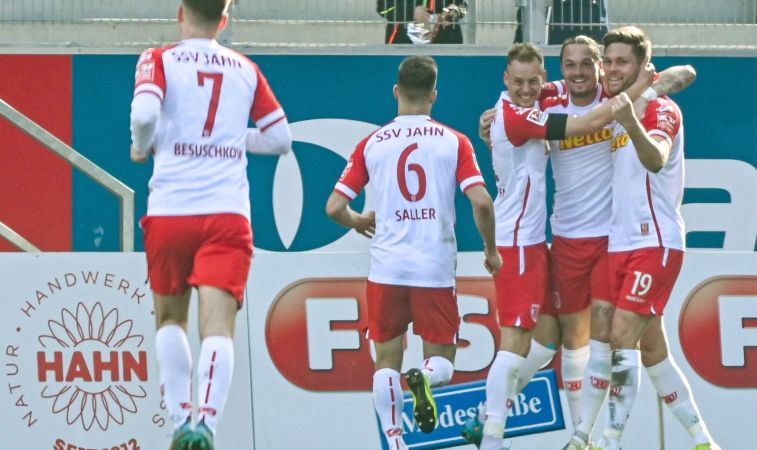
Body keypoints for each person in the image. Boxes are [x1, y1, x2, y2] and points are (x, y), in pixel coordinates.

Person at [472, 36, 698, 438]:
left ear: (599, 67)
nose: (577, 73)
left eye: (586, 64)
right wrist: (492, 121)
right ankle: (494, 416)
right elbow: (514, 101)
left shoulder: (616, 91)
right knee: (553, 344)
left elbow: (686, 73)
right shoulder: (549, 96)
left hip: (615, 240)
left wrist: (651, 86)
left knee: (603, 345)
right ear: (559, 71)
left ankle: (585, 437)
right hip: (568, 237)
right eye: (569, 65)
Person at [129, 1, 292, 449]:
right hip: (226, 213)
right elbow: (280, 139)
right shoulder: (244, 68)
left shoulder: (157, 58)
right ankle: (207, 426)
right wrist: (231, 138)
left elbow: (144, 116)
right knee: (217, 329)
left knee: (169, 320)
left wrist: (141, 147)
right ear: (225, 18)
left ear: (180, 12)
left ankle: (182, 419)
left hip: (170, 210)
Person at [325, 55, 502, 450]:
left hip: (387, 267)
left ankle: (395, 440)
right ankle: (424, 375)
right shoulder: (454, 141)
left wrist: (358, 221)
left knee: (385, 360)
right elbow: (483, 203)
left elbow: (334, 208)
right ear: (434, 96)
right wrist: (491, 251)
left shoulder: (372, 143)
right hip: (433, 267)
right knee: (442, 360)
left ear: (396, 92)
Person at [566, 26, 717, 450]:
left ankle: (605, 439)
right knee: (650, 351)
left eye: (621, 62)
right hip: (617, 244)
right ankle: (702, 439)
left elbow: (656, 158)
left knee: (620, 337)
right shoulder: (615, 105)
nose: (611, 69)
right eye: (608, 61)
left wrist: (636, 111)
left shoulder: (661, 108)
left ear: (641, 68)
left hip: (656, 242)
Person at [377, 0, 468, 44]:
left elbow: (463, 7)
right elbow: (383, 9)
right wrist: (412, 11)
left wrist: (452, 11)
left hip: (445, 44)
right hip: (403, 44)